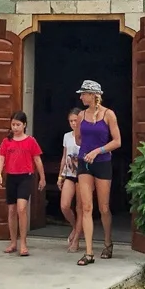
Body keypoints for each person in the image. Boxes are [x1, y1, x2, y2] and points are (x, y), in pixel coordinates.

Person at [73, 80, 121, 266]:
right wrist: (86, 150)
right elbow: (78, 139)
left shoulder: (108, 114)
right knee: (86, 207)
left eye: (83, 93)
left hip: (102, 162)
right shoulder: (81, 115)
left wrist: (98, 150)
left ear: (93, 95)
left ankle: (108, 243)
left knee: (104, 207)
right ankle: (89, 252)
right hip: (85, 164)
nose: (81, 97)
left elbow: (117, 141)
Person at [0, 111, 46, 257]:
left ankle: (23, 243)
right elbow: (1, 158)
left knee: (21, 208)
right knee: (11, 210)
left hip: (26, 177)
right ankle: (13, 242)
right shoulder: (6, 142)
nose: (15, 128)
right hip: (11, 177)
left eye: (18, 124)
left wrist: (42, 178)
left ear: (24, 125)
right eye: (13, 125)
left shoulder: (31, 141)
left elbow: (37, 160)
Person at [58, 108, 83, 253]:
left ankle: (77, 239)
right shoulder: (67, 136)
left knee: (80, 207)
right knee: (65, 205)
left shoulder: (85, 135)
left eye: (75, 120)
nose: (73, 123)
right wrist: (60, 175)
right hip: (69, 173)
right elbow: (64, 156)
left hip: (83, 174)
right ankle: (75, 227)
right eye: (71, 121)